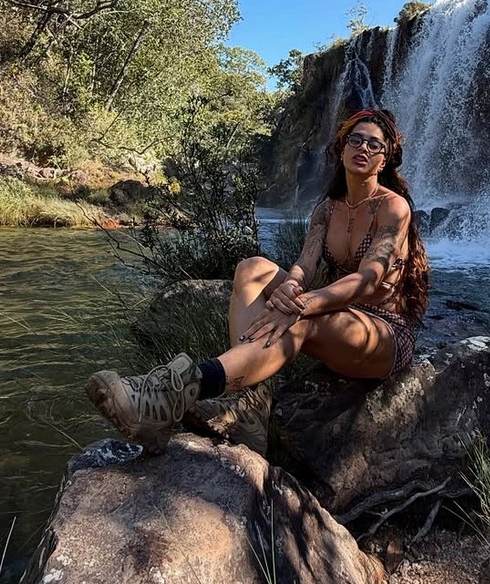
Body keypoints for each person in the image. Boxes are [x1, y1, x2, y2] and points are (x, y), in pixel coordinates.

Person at [86, 107, 429, 456]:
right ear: (341, 148)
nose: (364, 148)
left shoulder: (393, 208)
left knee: (301, 323)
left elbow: (368, 280)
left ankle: (173, 390)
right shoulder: (327, 209)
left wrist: (301, 305)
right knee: (251, 268)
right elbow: (304, 265)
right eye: (356, 139)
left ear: (385, 161)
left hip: (382, 333)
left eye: (375, 145)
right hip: (335, 315)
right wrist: (290, 290)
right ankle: (249, 408)